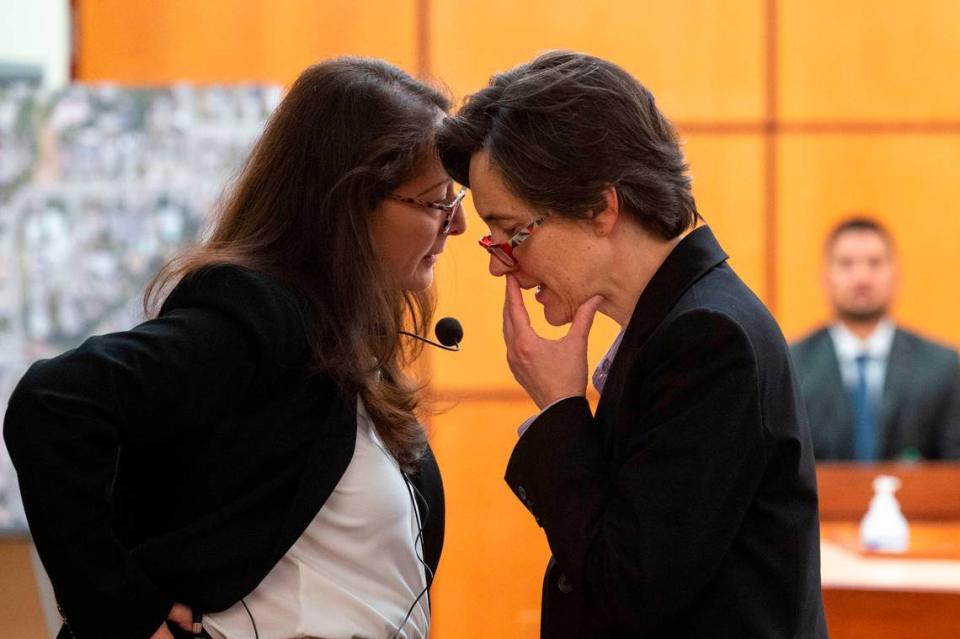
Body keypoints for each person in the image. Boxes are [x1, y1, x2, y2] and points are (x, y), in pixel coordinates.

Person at [3, 57, 466, 639]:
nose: (460, 226)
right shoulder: (262, 322)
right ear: (349, 206)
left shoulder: (350, 353)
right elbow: (53, 403)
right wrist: (120, 611)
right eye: (437, 201)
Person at [437, 51, 826, 638]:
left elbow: (630, 588)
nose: (502, 267)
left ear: (600, 207)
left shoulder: (708, 339)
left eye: (513, 232)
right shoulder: (678, 321)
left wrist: (561, 411)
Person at [791, 217, 960, 461]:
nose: (861, 277)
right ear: (825, 277)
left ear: (896, 275)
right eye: (846, 264)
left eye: (875, 263)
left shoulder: (940, 366)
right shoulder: (793, 366)